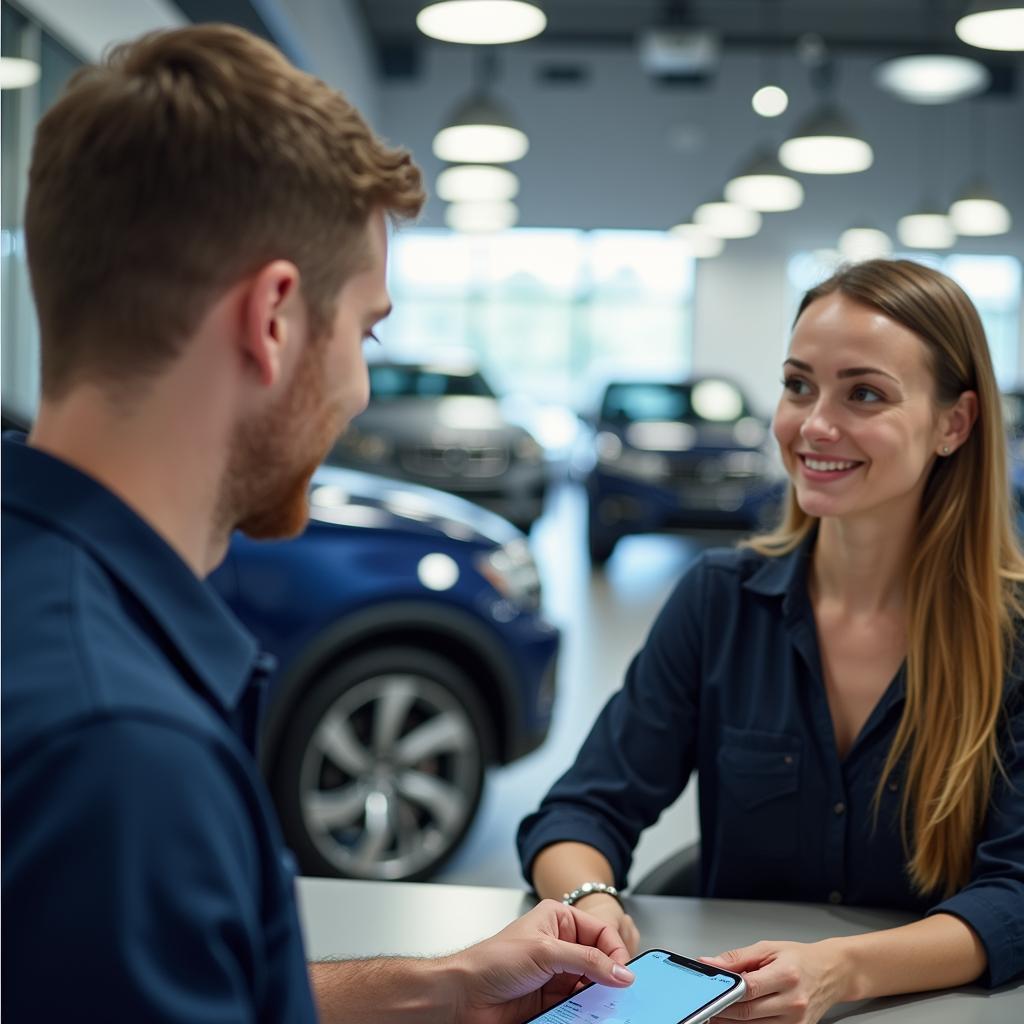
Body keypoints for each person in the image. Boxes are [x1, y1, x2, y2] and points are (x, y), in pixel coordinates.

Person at [0, 23, 637, 1022]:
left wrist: (435, 987)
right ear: (274, 318)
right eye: (366, 331)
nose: (358, 385)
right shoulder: (123, 754)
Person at [518, 258, 1024, 1021]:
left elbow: (1016, 891)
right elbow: (581, 811)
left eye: (864, 394)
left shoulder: (1011, 635)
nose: (814, 425)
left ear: (954, 423)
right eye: (798, 385)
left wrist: (841, 971)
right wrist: (590, 901)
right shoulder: (717, 601)